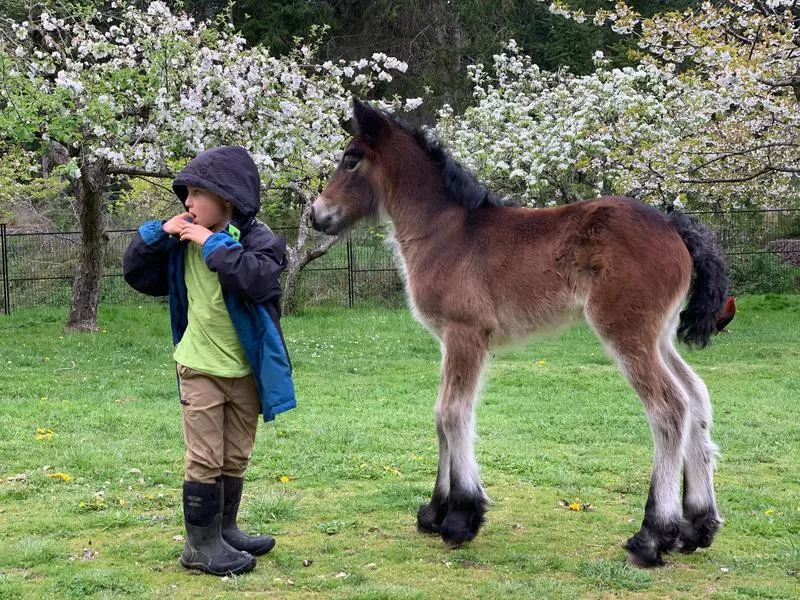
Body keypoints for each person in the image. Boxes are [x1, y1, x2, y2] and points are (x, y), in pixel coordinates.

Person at [123, 145, 296, 576]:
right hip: (198, 365)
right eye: (187, 194)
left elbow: (258, 281)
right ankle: (199, 547)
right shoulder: (180, 244)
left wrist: (211, 243)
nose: (187, 202)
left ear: (227, 200)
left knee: (234, 456)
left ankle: (225, 531)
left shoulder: (260, 241)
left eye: (197, 193)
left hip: (245, 370)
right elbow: (135, 272)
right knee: (204, 457)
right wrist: (159, 233)